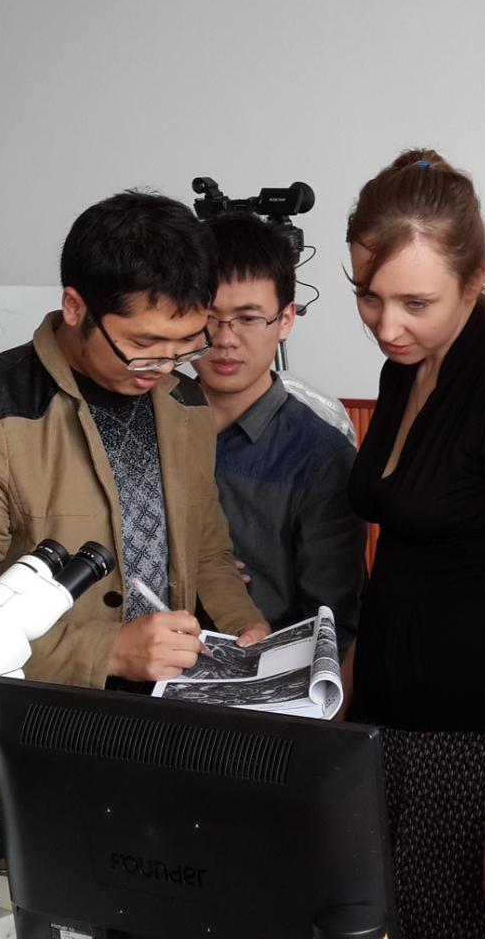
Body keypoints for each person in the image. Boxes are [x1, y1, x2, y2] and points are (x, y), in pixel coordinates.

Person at [0, 190, 268, 690]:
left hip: (161, 704)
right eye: (144, 343)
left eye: (188, 345)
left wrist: (241, 627)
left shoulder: (185, 403)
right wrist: (108, 651)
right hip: (35, 718)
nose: (165, 367)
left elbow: (206, 552)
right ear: (74, 306)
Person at [344, 150, 485, 936]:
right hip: (383, 725)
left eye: (415, 302)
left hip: (471, 748)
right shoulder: (405, 370)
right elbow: (400, 563)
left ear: (473, 283)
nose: (387, 326)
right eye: (368, 296)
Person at [193, 214, 365, 647]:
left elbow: (332, 625)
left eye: (248, 318)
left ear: (286, 319)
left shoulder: (321, 458)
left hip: (267, 673)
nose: (225, 339)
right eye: (208, 316)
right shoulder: (142, 425)